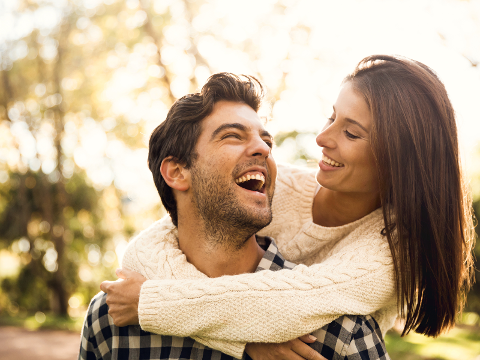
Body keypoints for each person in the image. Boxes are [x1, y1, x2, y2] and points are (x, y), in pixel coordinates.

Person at [102, 56, 475, 359]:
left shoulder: (388, 253)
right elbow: (153, 242)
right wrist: (243, 340)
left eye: (351, 132)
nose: (321, 138)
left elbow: (289, 306)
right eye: (332, 117)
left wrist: (152, 304)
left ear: (396, 163)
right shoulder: (274, 187)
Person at [80, 73, 389, 360]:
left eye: (267, 142)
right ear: (176, 172)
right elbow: (146, 244)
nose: (264, 150)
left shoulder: (341, 334)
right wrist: (242, 340)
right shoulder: (111, 321)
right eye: (232, 136)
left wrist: (152, 304)